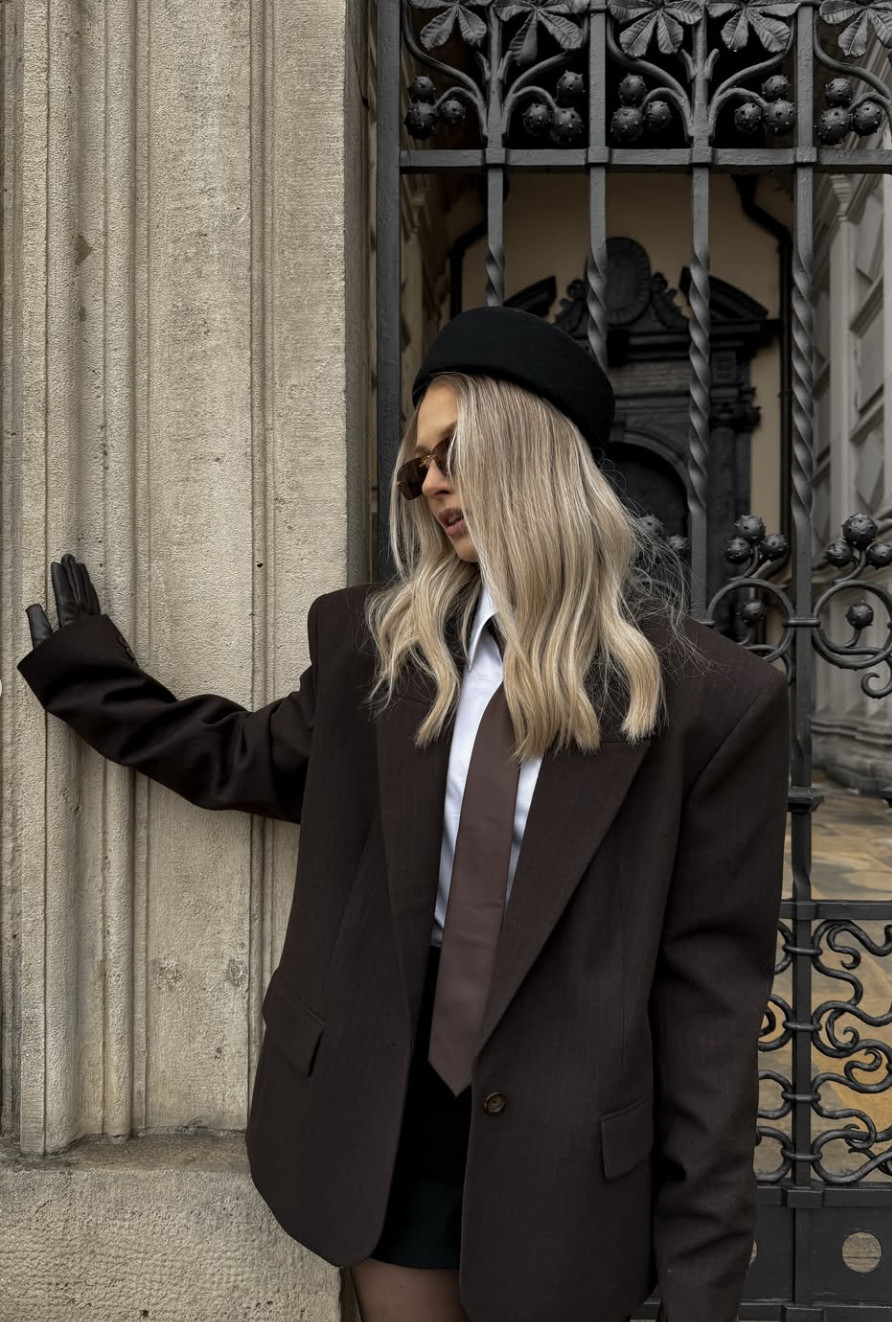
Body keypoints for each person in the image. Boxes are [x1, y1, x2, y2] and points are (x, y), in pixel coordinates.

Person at [18, 306, 790, 1322]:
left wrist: (703, 1278)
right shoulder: (380, 649)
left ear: (533, 452)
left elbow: (709, 1011)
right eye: (418, 466)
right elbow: (245, 757)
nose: (428, 484)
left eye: (452, 453)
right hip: (385, 1118)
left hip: (569, 1150)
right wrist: (90, 680)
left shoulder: (711, 701)